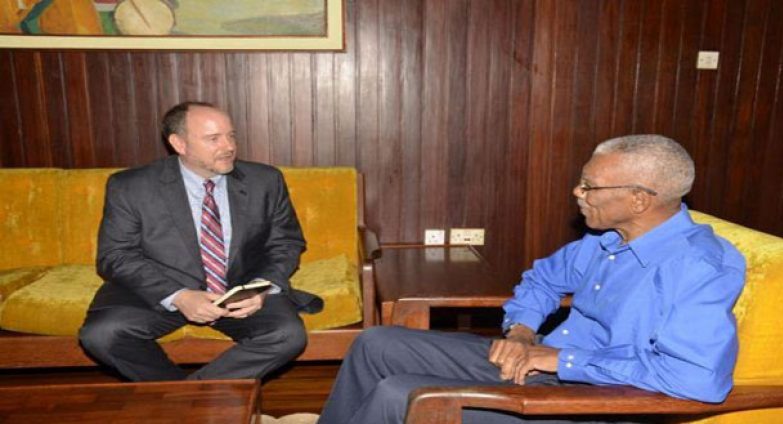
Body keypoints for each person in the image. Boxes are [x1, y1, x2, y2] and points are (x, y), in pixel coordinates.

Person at [318, 134, 746, 424]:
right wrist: (522, 333)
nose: (577, 194)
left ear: (638, 199)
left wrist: (561, 361)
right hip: (545, 367)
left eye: (589, 186)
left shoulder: (698, 267)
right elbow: (542, 280)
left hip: (599, 403)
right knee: (376, 343)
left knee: (400, 395)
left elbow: (698, 380)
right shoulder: (605, 239)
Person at [79, 101, 321, 381]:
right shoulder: (132, 186)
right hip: (161, 288)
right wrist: (179, 296)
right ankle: (186, 403)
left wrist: (260, 288)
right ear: (179, 144)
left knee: (288, 336)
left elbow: (286, 242)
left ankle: (186, 400)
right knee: (102, 335)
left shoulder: (264, 180)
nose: (228, 146)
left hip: (239, 289)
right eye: (213, 139)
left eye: (231, 135)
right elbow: (116, 255)